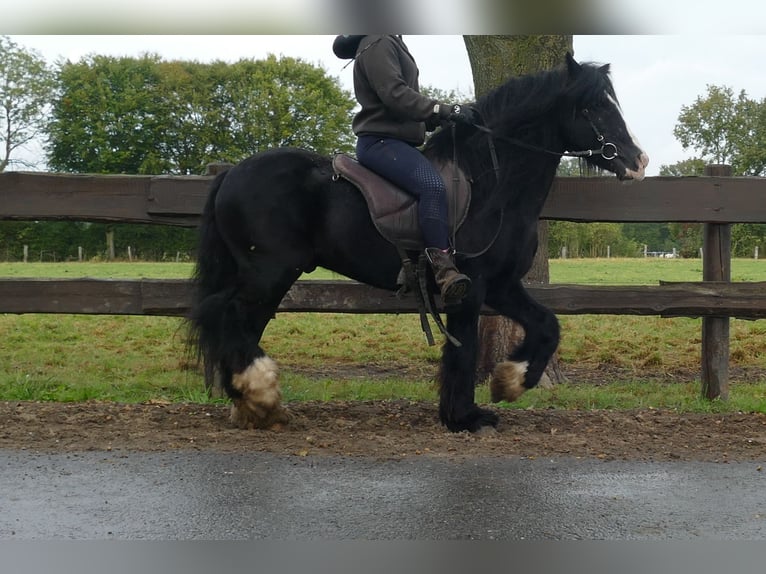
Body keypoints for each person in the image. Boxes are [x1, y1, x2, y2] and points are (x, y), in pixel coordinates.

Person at [333, 34, 479, 305]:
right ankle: (444, 270)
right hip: (381, 143)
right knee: (432, 186)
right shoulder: (379, 40)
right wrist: (443, 108)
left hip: (398, 142)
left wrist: (437, 119)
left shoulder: (388, 40)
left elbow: (400, 105)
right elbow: (394, 93)